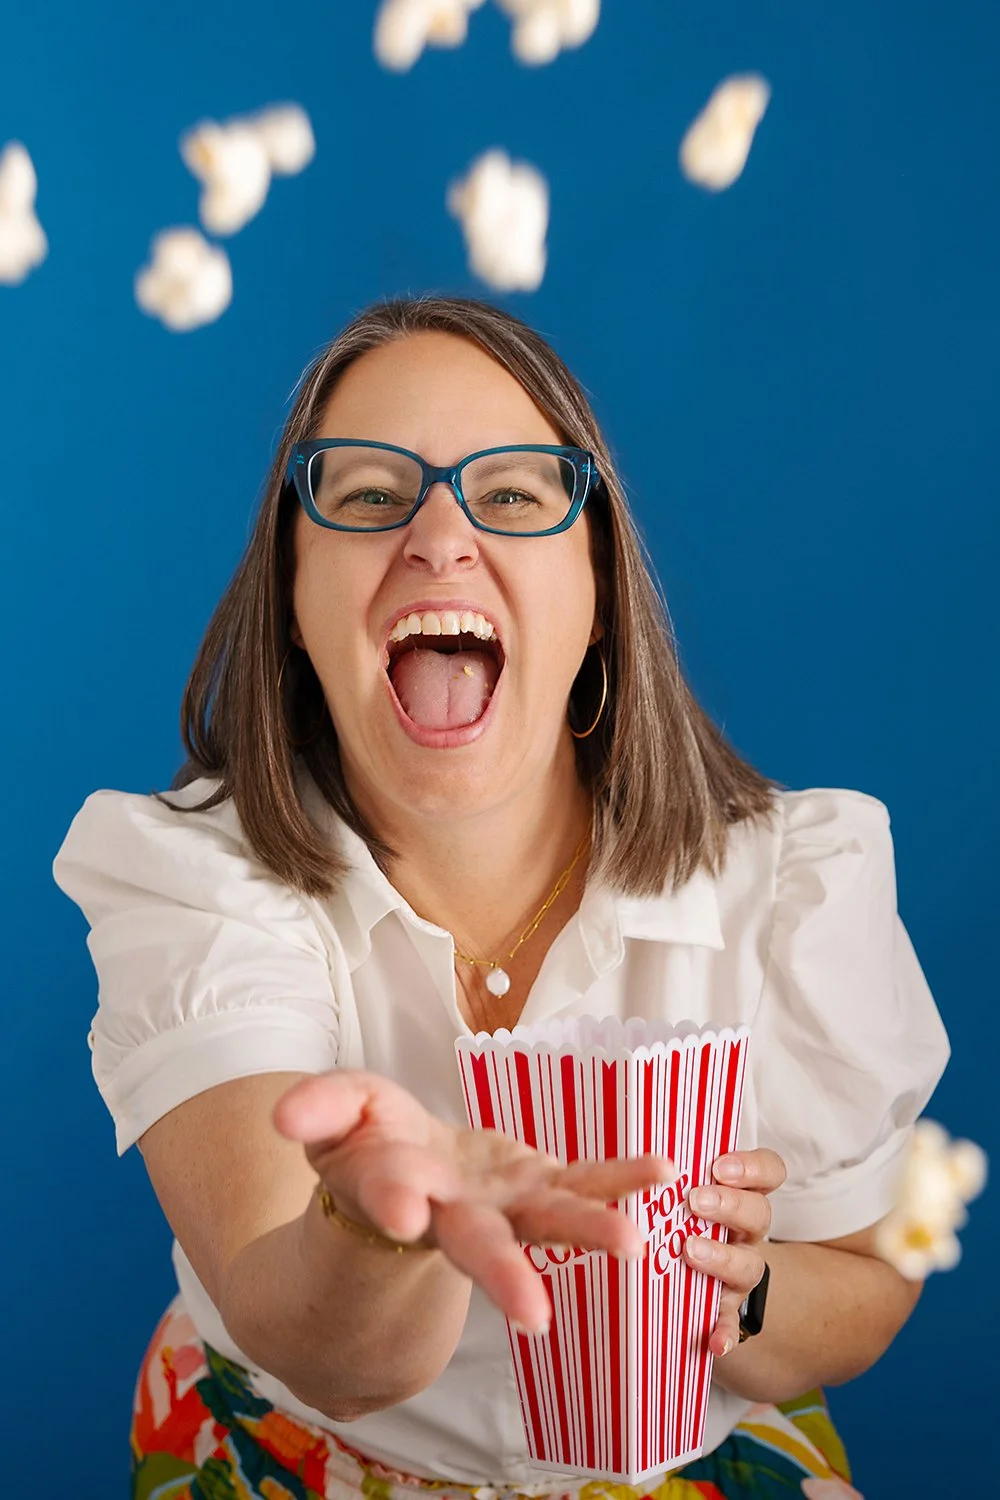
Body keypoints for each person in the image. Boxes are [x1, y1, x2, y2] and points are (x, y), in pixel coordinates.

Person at [54, 295, 949, 1500]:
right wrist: (386, 1225)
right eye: (368, 496)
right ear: (295, 605)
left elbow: (869, 1285)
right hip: (295, 1456)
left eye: (514, 495)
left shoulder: (793, 881)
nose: (437, 535)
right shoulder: (195, 879)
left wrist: (747, 1293)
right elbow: (319, 1342)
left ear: (595, 597)